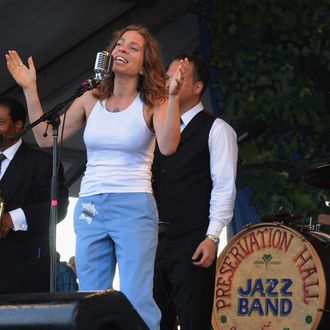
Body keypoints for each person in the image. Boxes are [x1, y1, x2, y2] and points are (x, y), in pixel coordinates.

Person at [6, 24, 187, 329]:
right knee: (90, 295)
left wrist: (172, 97)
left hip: (133, 203)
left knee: (136, 295)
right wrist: (29, 88)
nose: (122, 50)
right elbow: (45, 137)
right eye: (119, 44)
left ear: (145, 64)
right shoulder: (91, 97)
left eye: (133, 47)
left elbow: (169, 146)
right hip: (90, 204)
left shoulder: (155, 101)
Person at [152, 54, 238, 329]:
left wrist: (212, 238)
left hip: (192, 241)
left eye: (178, 76)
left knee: (194, 321)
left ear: (198, 87)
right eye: (168, 76)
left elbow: (224, 186)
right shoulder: (155, 127)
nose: (170, 82)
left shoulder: (217, 129)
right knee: (154, 320)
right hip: (152, 242)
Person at [0, 96, 69, 293]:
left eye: (0, 122)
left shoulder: (43, 164)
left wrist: (11, 219)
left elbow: (58, 208)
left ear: (18, 126)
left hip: (22, 275)